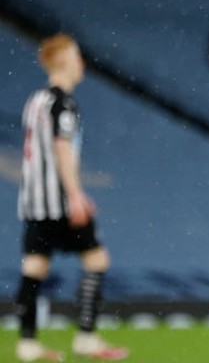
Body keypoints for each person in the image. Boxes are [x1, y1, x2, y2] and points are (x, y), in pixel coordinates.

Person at [14, 34, 129, 362]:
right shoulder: (62, 103)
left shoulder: (35, 101)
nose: (82, 63)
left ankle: (27, 342)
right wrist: (76, 195)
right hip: (60, 202)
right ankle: (86, 337)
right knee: (96, 260)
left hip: (35, 202)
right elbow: (62, 148)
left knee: (35, 266)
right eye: (77, 56)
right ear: (64, 61)